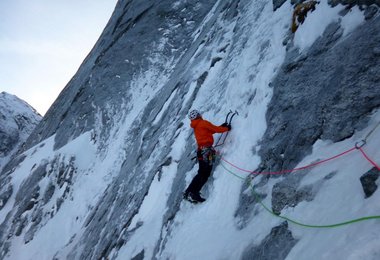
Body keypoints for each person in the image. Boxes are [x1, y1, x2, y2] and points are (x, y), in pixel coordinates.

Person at [184, 109, 231, 203]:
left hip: (201, 151)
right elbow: (215, 129)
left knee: (201, 173)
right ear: (198, 115)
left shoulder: (196, 126)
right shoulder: (203, 123)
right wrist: (226, 128)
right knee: (205, 174)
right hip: (207, 152)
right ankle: (194, 193)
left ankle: (189, 192)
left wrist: (221, 127)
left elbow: (209, 131)